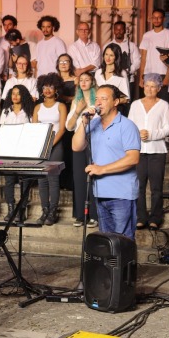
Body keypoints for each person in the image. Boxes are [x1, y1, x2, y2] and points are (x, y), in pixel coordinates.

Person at [72, 85, 141, 240]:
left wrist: (101, 169)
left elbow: (133, 158)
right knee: (107, 242)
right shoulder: (93, 124)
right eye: (96, 99)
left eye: (104, 99)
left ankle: (124, 266)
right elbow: (76, 146)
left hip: (122, 194)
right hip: (101, 192)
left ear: (115, 101)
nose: (98, 103)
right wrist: (83, 122)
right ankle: (111, 266)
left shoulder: (127, 125)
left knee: (123, 241)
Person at [127, 75, 169, 230]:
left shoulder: (164, 105)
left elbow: (168, 129)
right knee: (138, 186)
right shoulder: (135, 105)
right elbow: (129, 126)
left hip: (157, 151)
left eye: (153, 86)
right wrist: (138, 133)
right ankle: (140, 217)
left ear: (159, 88)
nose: (149, 89)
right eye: (147, 85)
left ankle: (155, 218)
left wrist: (151, 134)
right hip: (138, 150)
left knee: (156, 187)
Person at [32, 73, 67, 225]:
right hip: (40, 144)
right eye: (45, 86)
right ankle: (44, 210)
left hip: (55, 144)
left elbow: (62, 129)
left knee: (53, 179)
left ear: (56, 89)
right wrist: (40, 144)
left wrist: (51, 144)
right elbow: (33, 128)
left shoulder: (61, 106)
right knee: (41, 180)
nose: (47, 89)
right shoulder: (37, 107)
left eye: (51, 86)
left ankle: (53, 212)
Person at [66, 72, 99, 228]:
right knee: (79, 178)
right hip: (78, 141)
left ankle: (94, 215)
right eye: (81, 80)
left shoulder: (98, 99)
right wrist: (78, 110)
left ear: (92, 82)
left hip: (96, 141)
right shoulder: (76, 101)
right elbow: (69, 126)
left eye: (87, 80)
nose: (84, 82)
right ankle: (80, 215)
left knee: (94, 177)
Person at [0, 85, 34, 222]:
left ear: (23, 96)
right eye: (13, 93)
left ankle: (22, 210)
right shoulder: (6, 111)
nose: (15, 96)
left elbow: (32, 129)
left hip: (24, 149)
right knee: (9, 180)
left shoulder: (28, 111)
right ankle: (10, 209)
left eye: (18, 94)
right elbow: (0, 128)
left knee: (24, 180)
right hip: (9, 149)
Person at [138, 8, 169, 98]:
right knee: (148, 101)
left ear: (163, 19)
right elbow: (143, 57)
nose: (156, 20)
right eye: (154, 18)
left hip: (162, 73)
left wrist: (167, 77)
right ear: (151, 19)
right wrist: (141, 77)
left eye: (159, 18)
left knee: (163, 102)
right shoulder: (147, 35)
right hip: (148, 74)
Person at [104, 20, 140, 99]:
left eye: (121, 29)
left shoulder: (131, 45)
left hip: (129, 79)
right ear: (114, 30)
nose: (119, 31)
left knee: (127, 103)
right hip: (112, 79)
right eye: (117, 29)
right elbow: (104, 61)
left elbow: (137, 61)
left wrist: (128, 71)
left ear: (125, 30)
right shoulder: (108, 46)